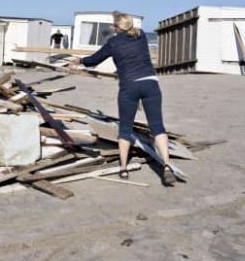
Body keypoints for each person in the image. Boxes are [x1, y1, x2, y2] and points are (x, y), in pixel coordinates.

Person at [70, 12, 176, 186]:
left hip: (129, 86)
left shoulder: (113, 43)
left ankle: (124, 168)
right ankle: (166, 165)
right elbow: (130, 30)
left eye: (114, 26)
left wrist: (79, 60)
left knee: (125, 129)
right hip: (151, 84)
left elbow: (93, 60)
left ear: (116, 28)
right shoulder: (141, 35)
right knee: (157, 127)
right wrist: (119, 24)